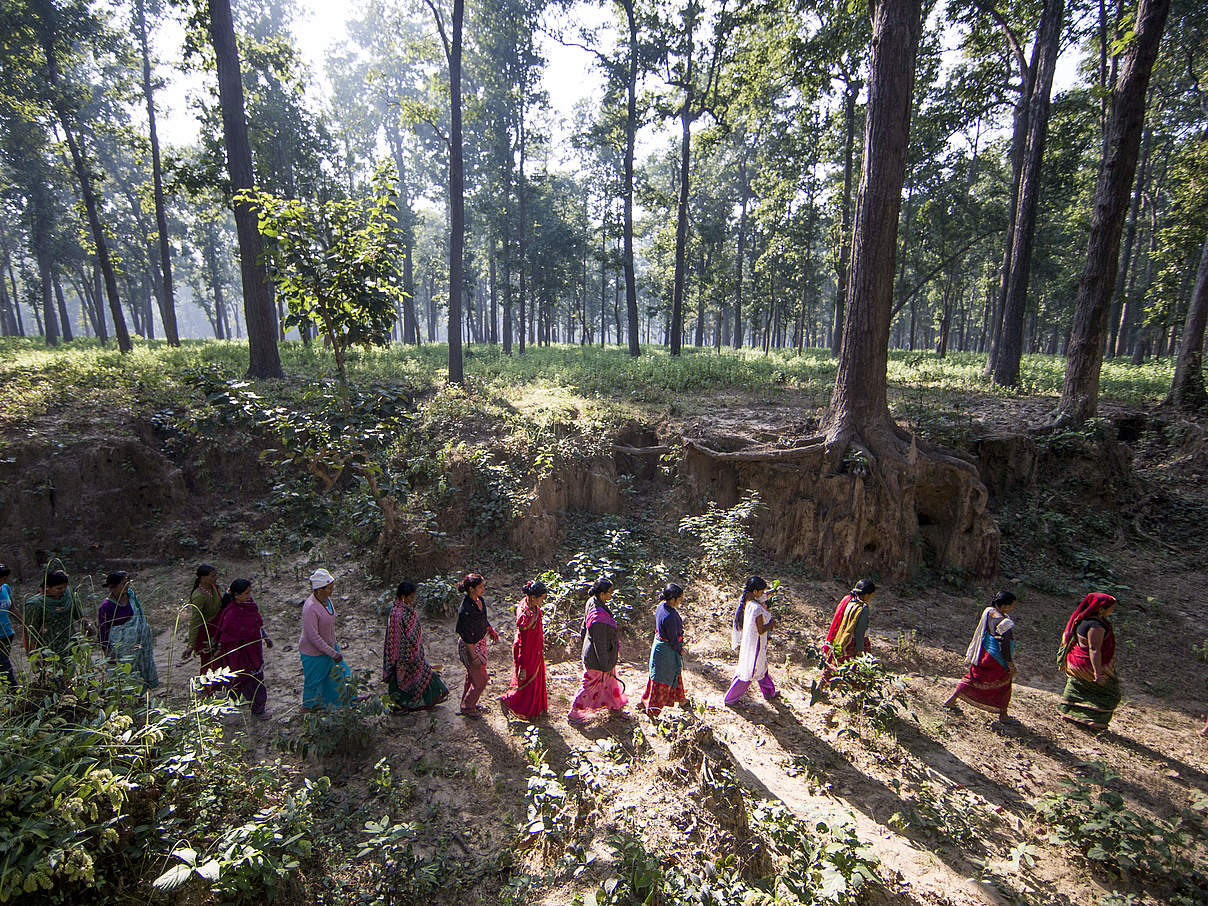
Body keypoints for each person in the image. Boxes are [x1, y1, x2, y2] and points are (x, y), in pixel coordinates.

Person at [944, 591, 1018, 721]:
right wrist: (1010, 664)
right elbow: (1005, 645)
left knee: (974, 677)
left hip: (985, 652)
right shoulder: (1005, 623)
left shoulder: (989, 612)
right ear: (1006, 606)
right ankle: (1003, 714)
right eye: (1011, 605)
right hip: (997, 658)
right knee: (1004, 683)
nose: (1012, 608)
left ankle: (952, 700)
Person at [1057, 592, 1121, 731]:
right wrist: (1097, 674)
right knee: (1110, 693)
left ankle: (1068, 712)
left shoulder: (1081, 619)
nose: (1113, 610)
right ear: (1101, 609)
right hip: (1087, 665)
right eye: (1111, 607)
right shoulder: (1096, 626)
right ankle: (1095, 721)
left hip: (1075, 663)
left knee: (1078, 685)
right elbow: (1094, 649)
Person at [383, 581, 449, 711]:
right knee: (407, 677)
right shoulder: (398, 614)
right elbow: (397, 637)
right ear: (403, 596)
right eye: (411, 597)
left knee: (419, 673)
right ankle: (404, 704)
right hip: (404, 654)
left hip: (412, 649)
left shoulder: (404, 610)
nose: (413, 600)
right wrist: (409, 651)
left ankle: (419, 701)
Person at [569, 578, 628, 723]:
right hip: (597, 658)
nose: (611, 595)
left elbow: (584, 626)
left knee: (609, 682)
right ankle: (575, 713)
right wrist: (606, 665)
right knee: (590, 685)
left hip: (596, 652)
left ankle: (615, 706)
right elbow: (599, 644)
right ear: (602, 594)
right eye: (609, 593)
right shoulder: (598, 617)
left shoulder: (592, 601)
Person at [215, 578, 272, 718]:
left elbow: (257, 623)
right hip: (241, 656)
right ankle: (248, 708)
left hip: (254, 650)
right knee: (245, 681)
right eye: (246, 593)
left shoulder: (250, 606)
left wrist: (265, 637)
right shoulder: (231, 614)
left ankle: (258, 709)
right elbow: (227, 638)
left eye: (249, 593)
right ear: (236, 595)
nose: (249, 596)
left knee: (257, 681)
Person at [300, 568, 352, 711]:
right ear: (319, 589)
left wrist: (333, 647)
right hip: (314, 653)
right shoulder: (310, 608)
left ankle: (347, 700)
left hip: (329, 649)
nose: (331, 591)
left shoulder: (327, 601)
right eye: (329, 588)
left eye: (332, 587)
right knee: (314, 682)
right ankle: (308, 709)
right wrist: (332, 652)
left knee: (341, 675)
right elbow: (313, 636)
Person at [97, 571, 159, 689]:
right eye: (122, 584)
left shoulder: (131, 596)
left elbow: (140, 617)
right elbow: (103, 631)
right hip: (122, 649)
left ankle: (142, 697)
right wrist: (107, 651)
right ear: (112, 587)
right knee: (125, 674)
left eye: (127, 583)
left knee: (141, 669)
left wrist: (144, 632)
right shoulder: (106, 607)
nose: (127, 586)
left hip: (139, 644)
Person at [500, 579, 549, 721]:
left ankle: (536, 710)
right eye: (542, 598)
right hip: (526, 654)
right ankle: (508, 700)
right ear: (533, 597)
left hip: (535, 650)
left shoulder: (529, 604)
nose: (543, 601)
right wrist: (522, 665)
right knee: (526, 683)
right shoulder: (526, 618)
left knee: (536, 681)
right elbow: (523, 643)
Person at [725, 576, 778, 705]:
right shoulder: (757, 608)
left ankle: (769, 692)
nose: (762, 594)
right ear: (755, 592)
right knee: (749, 672)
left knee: (761, 669)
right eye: (761, 591)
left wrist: (770, 593)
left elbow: (763, 596)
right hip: (756, 645)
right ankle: (730, 698)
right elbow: (761, 629)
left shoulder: (748, 602)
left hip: (751, 643)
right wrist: (770, 625)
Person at [639, 583, 688, 719]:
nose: (680, 602)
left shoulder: (662, 606)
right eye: (679, 599)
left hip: (660, 647)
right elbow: (673, 639)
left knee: (669, 675)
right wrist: (680, 649)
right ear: (672, 599)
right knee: (662, 680)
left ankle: (682, 700)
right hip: (667, 651)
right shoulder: (670, 616)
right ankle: (653, 711)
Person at [454, 573, 498, 717]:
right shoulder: (466, 610)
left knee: (473, 676)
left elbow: (483, 619)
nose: (483, 589)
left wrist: (490, 630)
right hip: (470, 647)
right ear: (471, 589)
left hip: (479, 642)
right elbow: (466, 638)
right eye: (480, 587)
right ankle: (467, 706)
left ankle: (467, 703)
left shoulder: (480, 601)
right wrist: (473, 657)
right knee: (482, 680)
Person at [821, 579, 876, 684]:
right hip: (853, 643)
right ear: (867, 595)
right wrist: (860, 650)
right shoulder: (862, 609)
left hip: (841, 638)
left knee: (834, 664)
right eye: (872, 595)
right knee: (857, 671)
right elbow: (859, 632)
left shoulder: (849, 601)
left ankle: (822, 685)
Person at [22, 569, 84, 659]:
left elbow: (79, 616)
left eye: (64, 587)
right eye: (59, 588)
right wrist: (35, 653)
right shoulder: (35, 604)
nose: (63, 590)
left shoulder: (68, 596)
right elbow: (30, 632)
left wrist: (86, 626)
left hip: (69, 643)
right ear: (47, 587)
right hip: (48, 647)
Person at [182, 564, 223, 674]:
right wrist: (191, 645)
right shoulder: (199, 596)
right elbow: (195, 621)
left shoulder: (213, 588)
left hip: (217, 629)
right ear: (203, 578)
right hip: (207, 634)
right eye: (213, 576)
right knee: (209, 662)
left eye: (216, 575)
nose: (216, 578)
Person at [0, 566, 16, 687]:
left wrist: (25, 622)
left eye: (3, 579)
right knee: (5, 667)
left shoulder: (5, 589)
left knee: (3, 664)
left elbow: (12, 608)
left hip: (7, 634)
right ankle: (15, 691)